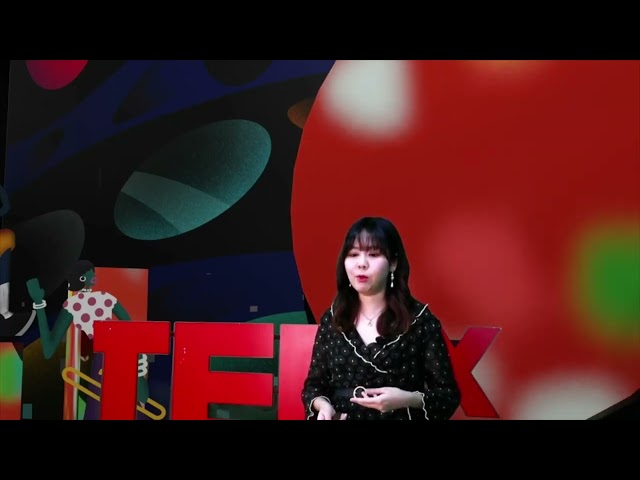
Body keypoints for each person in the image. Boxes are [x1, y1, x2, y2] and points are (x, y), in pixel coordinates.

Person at [301, 216, 461, 420]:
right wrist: (323, 406)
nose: (361, 264)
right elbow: (314, 386)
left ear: (393, 263)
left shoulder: (420, 319)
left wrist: (408, 399)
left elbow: (447, 395)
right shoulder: (333, 318)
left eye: (373, 254)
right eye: (353, 254)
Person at [25, 260, 150, 419]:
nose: (94, 275)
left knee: (116, 406)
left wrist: (39, 304)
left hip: (114, 357)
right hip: (108, 359)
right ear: (83, 277)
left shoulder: (89, 301)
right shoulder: (90, 301)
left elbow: (132, 331)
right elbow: (49, 350)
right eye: (91, 272)